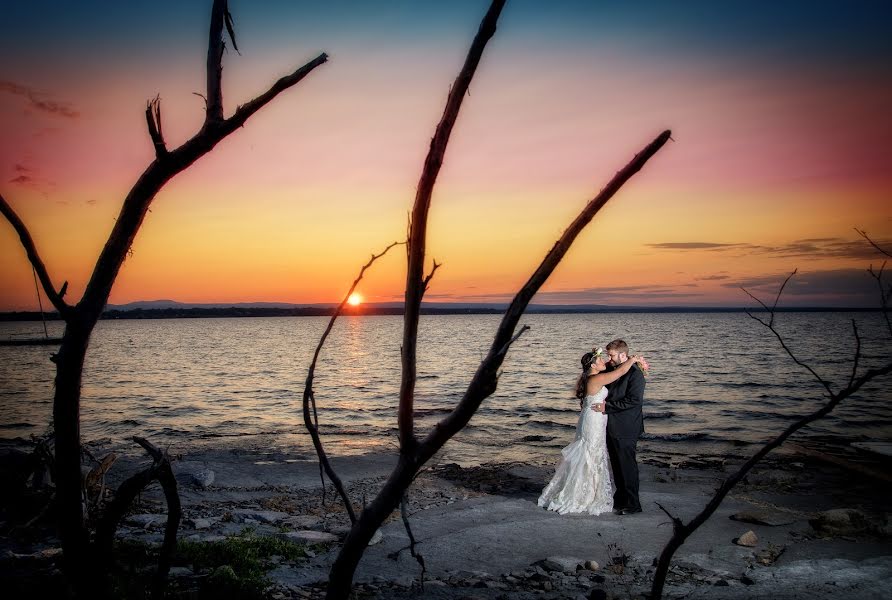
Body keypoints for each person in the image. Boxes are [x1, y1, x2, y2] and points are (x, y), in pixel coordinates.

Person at [538, 348, 646, 515]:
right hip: (594, 420)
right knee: (590, 454)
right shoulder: (597, 378)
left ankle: (589, 493)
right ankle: (583, 495)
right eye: (602, 359)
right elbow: (621, 370)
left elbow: (617, 368)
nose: (605, 361)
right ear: (594, 365)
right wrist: (633, 359)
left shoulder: (592, 376)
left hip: (594, 417)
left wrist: (638, 364)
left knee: (592, 454)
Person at [597, 338, 646, 515]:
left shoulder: (635, 374)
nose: (609, 358)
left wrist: (607, 407)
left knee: (627, 467)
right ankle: (620, 500)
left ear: (623, 355)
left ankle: (634, 504)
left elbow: (634, 401)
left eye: (611, 355)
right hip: (611, 426)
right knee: (617, 466)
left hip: (626, 427)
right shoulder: (613, 368)